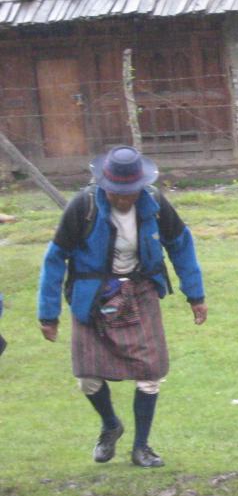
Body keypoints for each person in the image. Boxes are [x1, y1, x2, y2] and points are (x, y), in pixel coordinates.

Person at [37, 146, 206, 467]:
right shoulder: (83, 207)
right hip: (93, 296)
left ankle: (142, 447)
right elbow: (55, 259)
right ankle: (110, 425)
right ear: (104, 185)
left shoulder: (154, 204)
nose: (123, 198)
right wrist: (48, 314)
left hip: (140, 293)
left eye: (130, 192)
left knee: (151, 374)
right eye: (117, 192)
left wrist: (195, 296)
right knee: (87, 376)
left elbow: (181, 245)